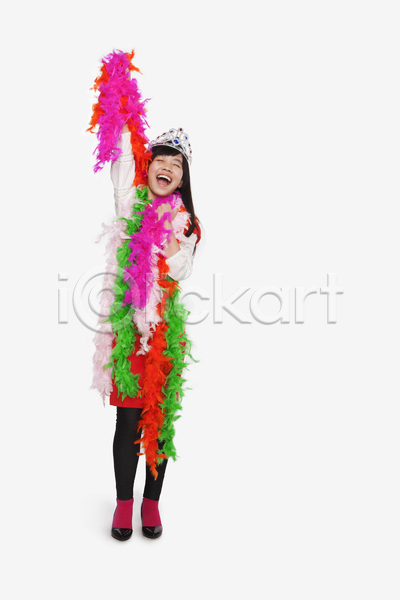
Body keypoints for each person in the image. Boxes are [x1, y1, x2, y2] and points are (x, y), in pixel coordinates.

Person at [88, 50, 201, 542]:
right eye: (161, 161)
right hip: (128, 328)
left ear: (182, 180)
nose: (167, 169)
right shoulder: (130, 201)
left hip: (163, 334)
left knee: (158, 418)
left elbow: (182, 268)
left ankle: (152, 503)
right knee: (127, 418)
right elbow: (120, 158)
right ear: (148, 166)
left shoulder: (186, 224)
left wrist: (173, 248)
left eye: (177, 166)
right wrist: (119, 92)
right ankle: (123, 504)